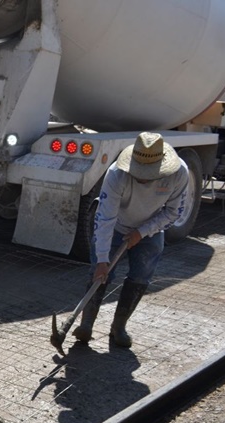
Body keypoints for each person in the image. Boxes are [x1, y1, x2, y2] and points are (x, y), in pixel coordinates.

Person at [73, 132, 190, 348]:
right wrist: (101, 260)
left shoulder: (178, 173)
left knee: (141, 276)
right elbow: (105, 217)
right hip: (116, 225)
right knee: (99, 274)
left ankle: (119, 327)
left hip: (151, 229)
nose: (142, 177)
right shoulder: (117, 174)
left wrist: (142, 232)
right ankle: (86, 325)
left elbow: (174, 213)